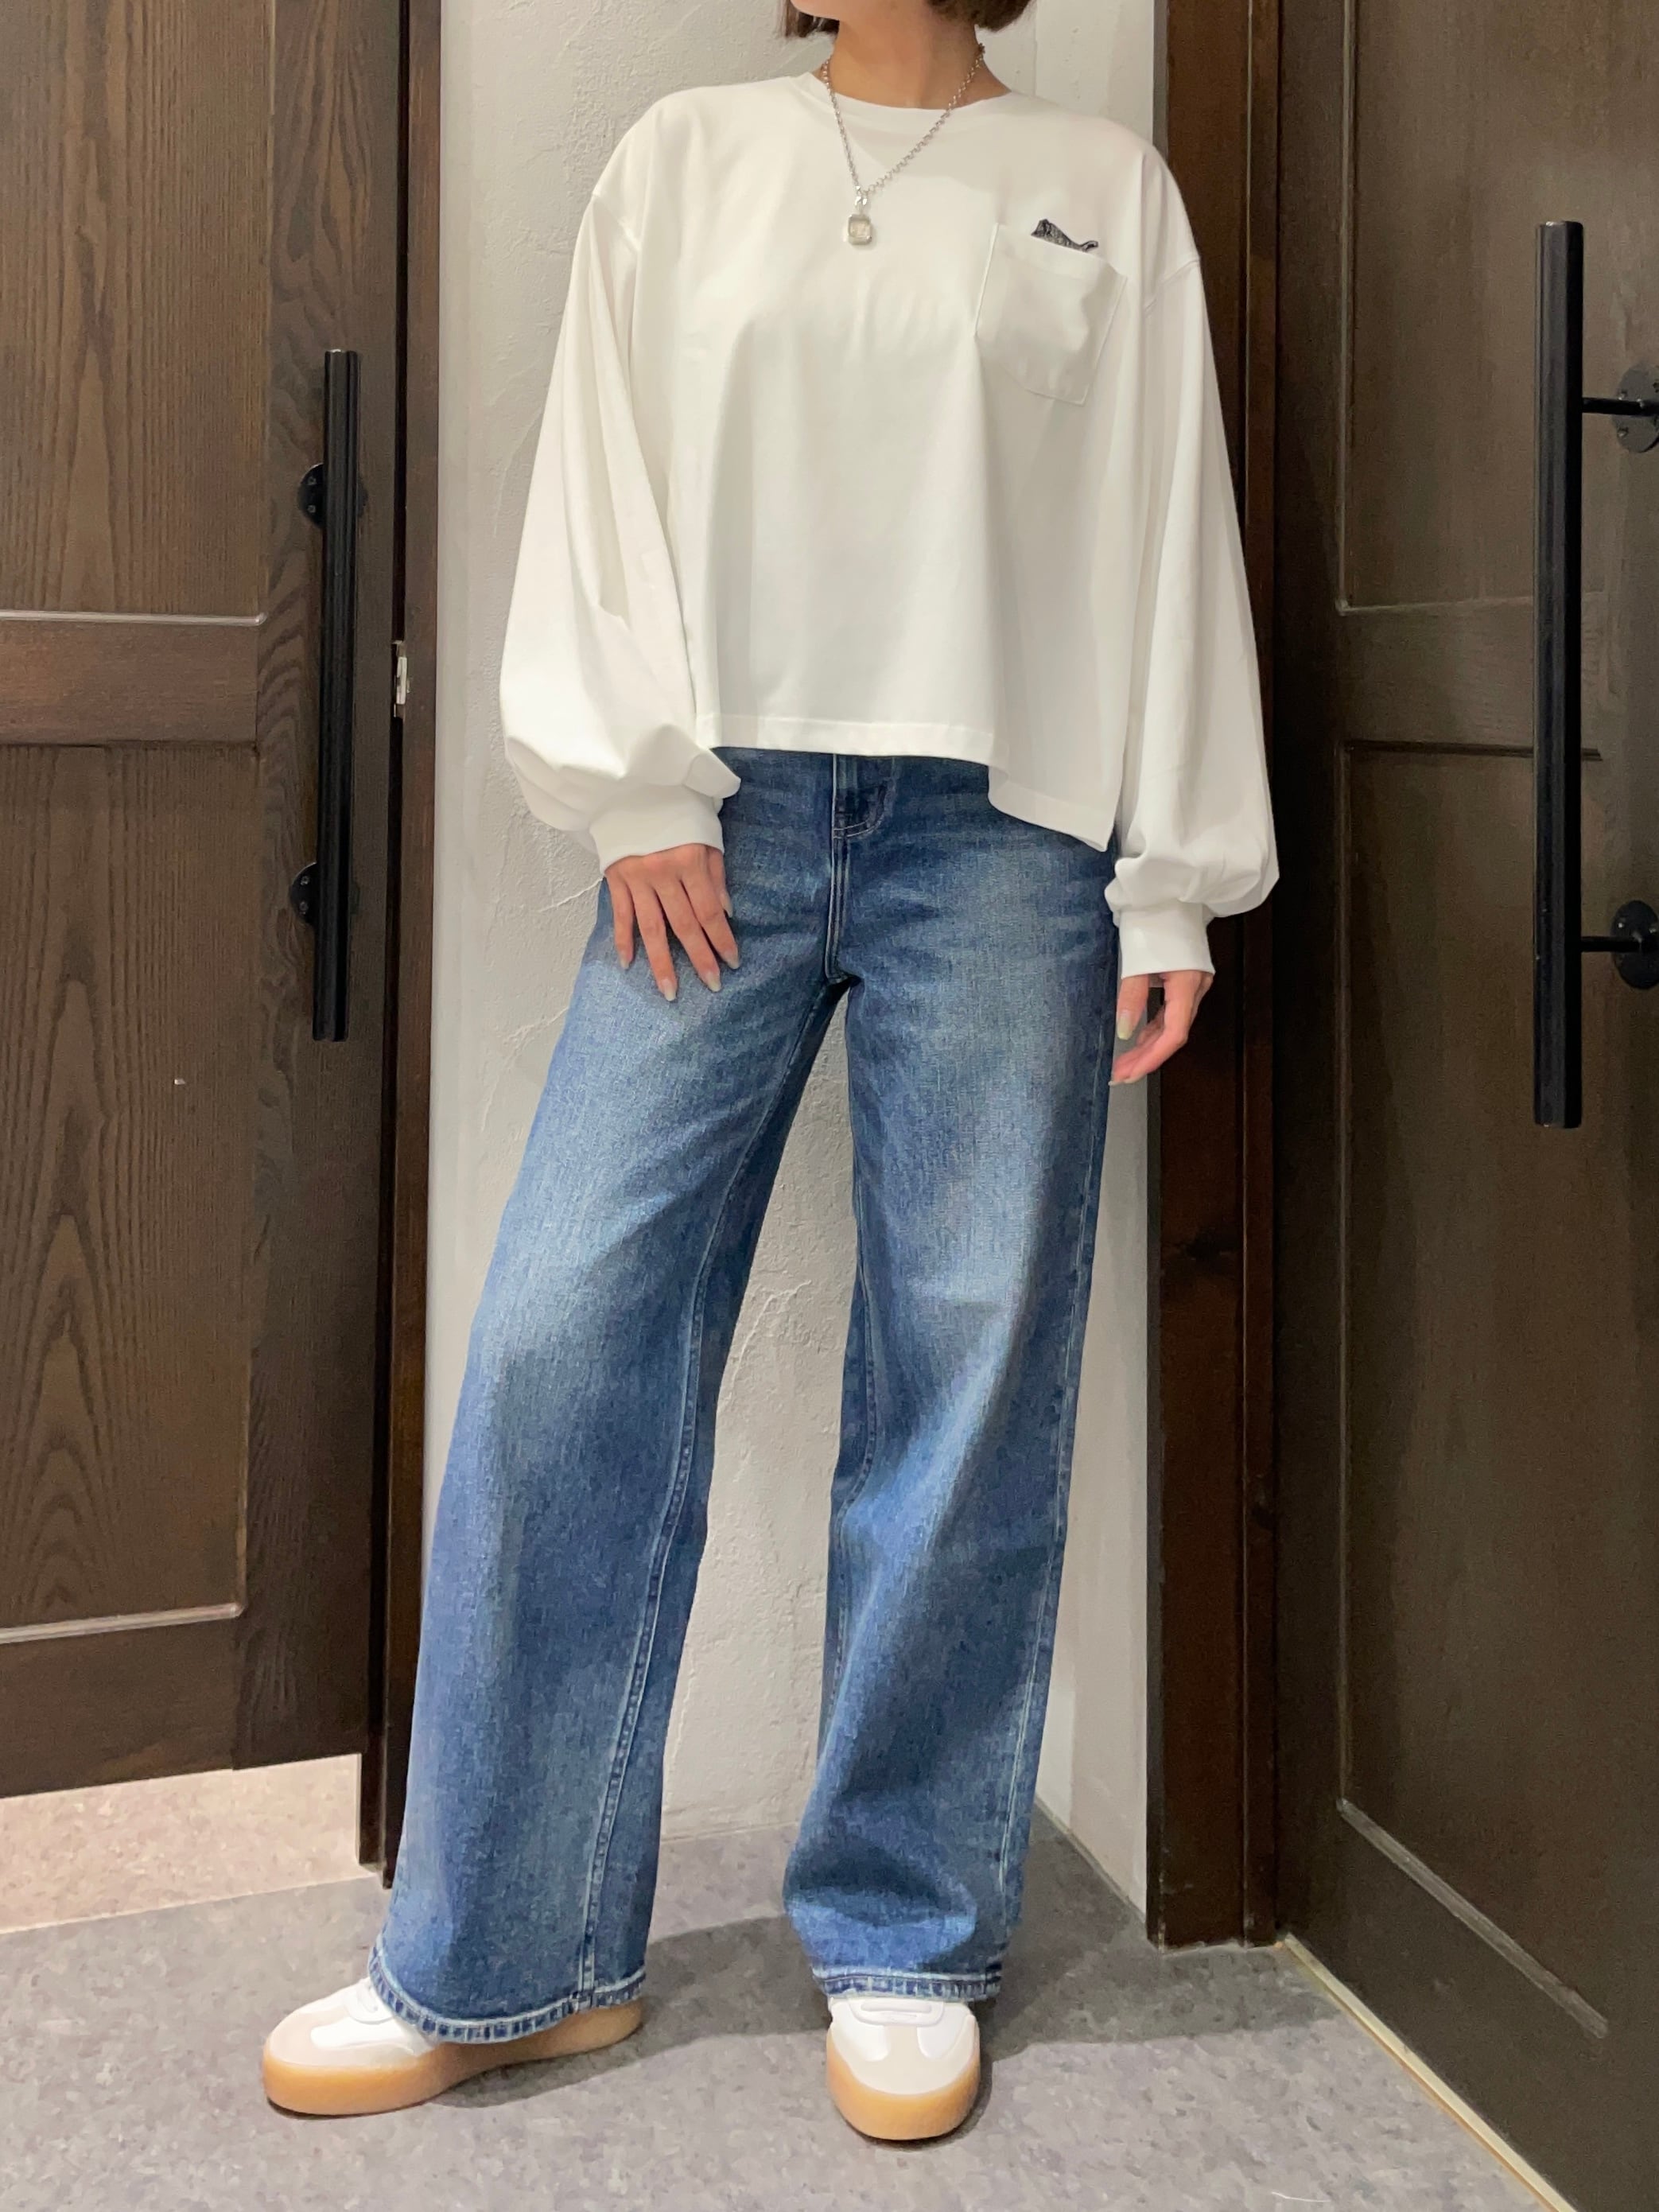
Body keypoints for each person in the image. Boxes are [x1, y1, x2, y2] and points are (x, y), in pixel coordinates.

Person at [262, 0, 1276, 2144]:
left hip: (1008, 837)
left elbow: (1163, 530)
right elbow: (602, 473)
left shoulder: (1101, 195)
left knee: (965, 1360)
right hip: (713, 821)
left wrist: (1175, 879)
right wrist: (634, 786)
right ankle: (505, 1951)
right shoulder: (687, 157)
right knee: (566, 1330)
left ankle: (907, 1929)